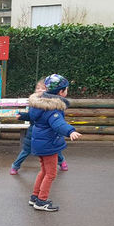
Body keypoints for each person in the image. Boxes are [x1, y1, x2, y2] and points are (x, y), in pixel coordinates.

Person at [27, 74, 82, 212]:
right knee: (51, 174)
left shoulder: (39, 104)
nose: (67, 91)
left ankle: (35, 197)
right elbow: (58, 124)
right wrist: (70, 131)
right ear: (61, 92)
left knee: (44, 171)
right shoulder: (53, 109)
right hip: (48, 145)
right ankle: (42, 201)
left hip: (40, 143)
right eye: (66, 89)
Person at [10, 78, 68, 175]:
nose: (40, 90)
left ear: (48, 91)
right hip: (33, 131)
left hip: (48, 133)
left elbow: (56, 120)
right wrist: (22, 116)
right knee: (26, 150)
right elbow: (32, 116)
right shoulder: (35, 103)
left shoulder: (52, 104)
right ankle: (15, 166)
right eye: (38, 88)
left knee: (54, 150)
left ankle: (61, 162)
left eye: (43, 88)